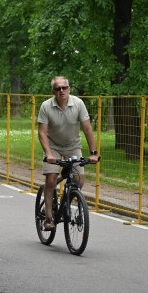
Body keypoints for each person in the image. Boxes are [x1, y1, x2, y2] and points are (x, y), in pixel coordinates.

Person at [37, 76, 99, 231]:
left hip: (73, 146)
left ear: (69, 89)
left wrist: (93, 153)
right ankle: (49, 217)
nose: (61, 91)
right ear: (53, 91)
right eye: (58, 88)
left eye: (64, 87)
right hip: (53, 147)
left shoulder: (78, 104)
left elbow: (87, 129)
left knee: (78, 179)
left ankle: (67, 202)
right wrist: (48, 153)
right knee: (51, 180)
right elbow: (42, 133)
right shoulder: (46, 106)